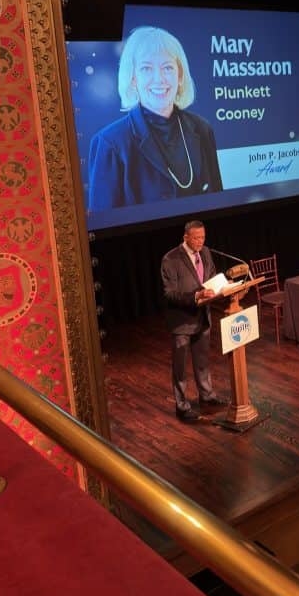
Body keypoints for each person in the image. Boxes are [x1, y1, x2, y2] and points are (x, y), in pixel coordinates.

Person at [88, 25, 223, 211]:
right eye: (146, 68)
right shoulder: (110, 143)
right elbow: (106, 221)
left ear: (180, 76)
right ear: (133, 79)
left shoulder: (202, 129)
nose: (159, 79)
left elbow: (218, 202)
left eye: (167, 68)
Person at [160, 219, 225, 422]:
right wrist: (196, 296)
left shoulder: (205, 252)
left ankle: (207, 395)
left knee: (202, 361)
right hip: (182, 321)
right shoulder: (170, 259)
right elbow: (170, 293)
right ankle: (181, 406)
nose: (200, 242)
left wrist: (220, 286)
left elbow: (210, 275)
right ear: (186, 237)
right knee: (180, 367)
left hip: (203, 316)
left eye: (203, 237)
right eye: (196, 238)